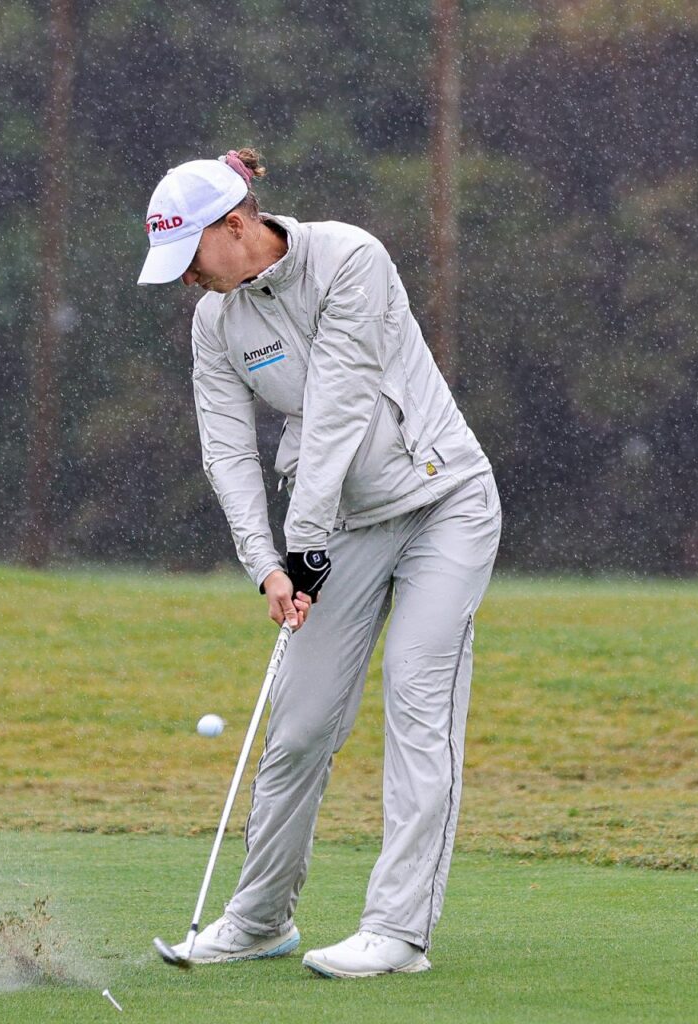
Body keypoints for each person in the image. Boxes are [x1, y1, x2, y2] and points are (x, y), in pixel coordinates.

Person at [137, 148, 501, 978]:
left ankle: (399, 931)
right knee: (299, 727)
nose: (187, 279)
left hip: (443, 504)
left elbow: (340, 406)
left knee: (416, 695)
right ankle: (261, 919)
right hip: (340, 529)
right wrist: (267, 564)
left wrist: (303, 542)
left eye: (191, 256)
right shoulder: (216, 323)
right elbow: (226, 452)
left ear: (236, 224)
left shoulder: (350, 258)